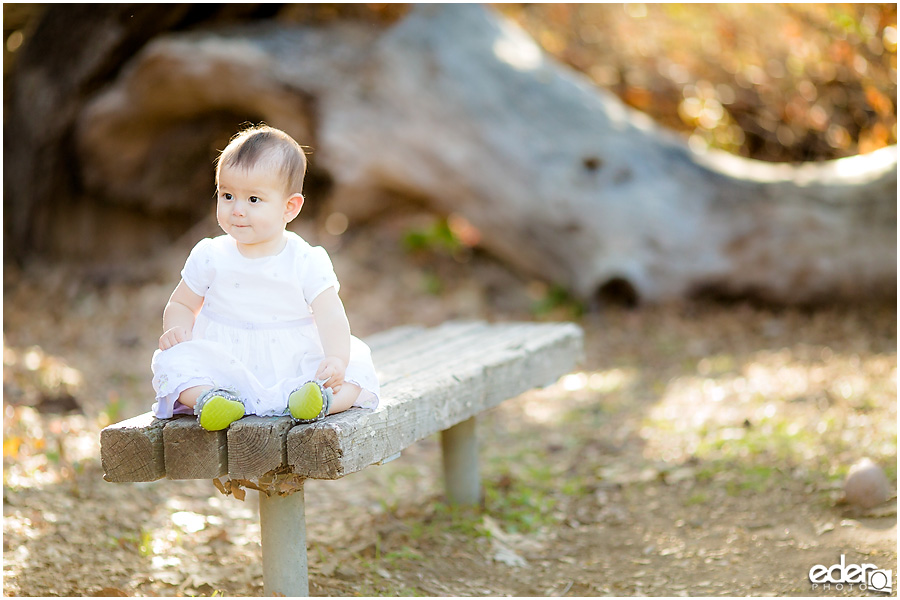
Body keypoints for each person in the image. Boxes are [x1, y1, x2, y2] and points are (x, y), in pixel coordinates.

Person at [151, 124, 379, 431]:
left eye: (253, 200)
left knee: (354, 373)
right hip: (225, 363)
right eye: (227, 195)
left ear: (290, 207)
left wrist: (337, 359)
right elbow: (180, 302)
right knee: (173, 364)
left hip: (292, 361)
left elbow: (331, 316)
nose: (237, 210)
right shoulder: (210, 255)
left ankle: (317, 402)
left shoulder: (305, 259)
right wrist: (177, 330)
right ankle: (211, 399)